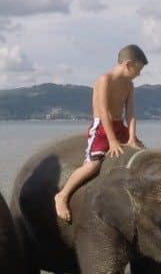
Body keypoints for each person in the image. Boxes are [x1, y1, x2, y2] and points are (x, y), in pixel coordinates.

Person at [54, 44, 148, 223]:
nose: (139, 74)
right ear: (128, 64)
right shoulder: (104, 80)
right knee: (92, 166)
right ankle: (62, 196)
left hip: (120, 125)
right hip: (102, 129)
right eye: (138, 69)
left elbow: (130, 113)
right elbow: (104, 111)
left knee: (142, 151)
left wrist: (131, 137)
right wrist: (112, 141)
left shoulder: (129, 85)